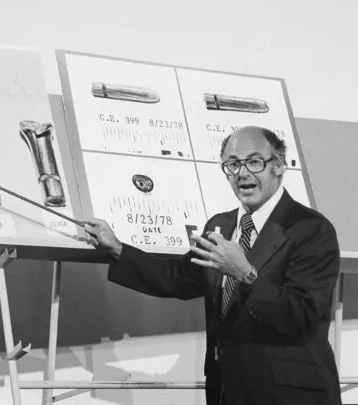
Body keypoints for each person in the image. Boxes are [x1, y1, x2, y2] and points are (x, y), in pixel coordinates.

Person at [83, 126, 341, 405]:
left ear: (277, 165)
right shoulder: (222, 225)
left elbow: (301, 316)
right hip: (228, 392)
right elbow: (179, 277)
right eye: (232, 164)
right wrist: (118, 248)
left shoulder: (311, 229)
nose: (242, 173)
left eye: (254, 161)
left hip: (290, 396)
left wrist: (245, 273)